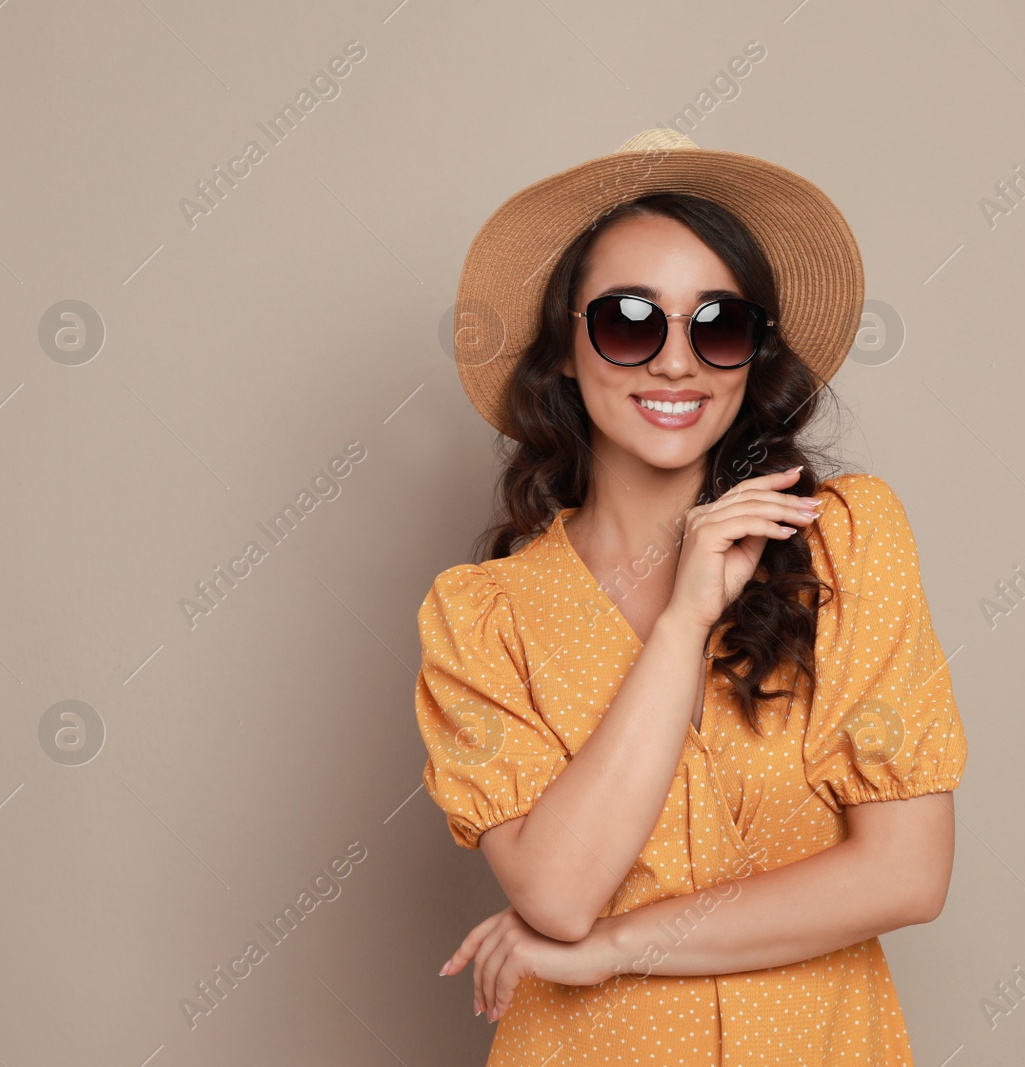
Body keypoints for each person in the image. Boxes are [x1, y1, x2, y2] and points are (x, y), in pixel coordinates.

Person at [415, 128, 968, 1065]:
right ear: (562, 351)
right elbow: (555, 893)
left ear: (752, 356)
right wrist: (683, 621)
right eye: (630, 321)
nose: (677, 363)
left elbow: (907, 873)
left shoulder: (843, 538)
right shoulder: (481, 614)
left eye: (718, 325)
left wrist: (617, 947)